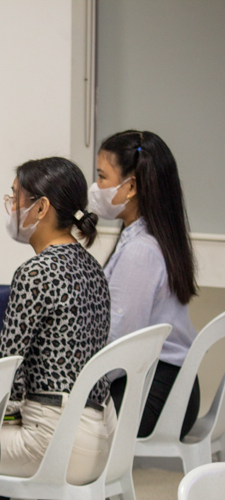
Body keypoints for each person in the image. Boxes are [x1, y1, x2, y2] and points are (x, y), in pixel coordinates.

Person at [0, 157, 116, 485]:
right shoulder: (93, 268)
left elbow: (7, 370)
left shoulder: (36, 272)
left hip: (55, 443)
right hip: (99, 440)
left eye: (15, 198)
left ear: (41, 207)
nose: (10, 207)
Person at [90, 130, 200, 439]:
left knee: (59, 421)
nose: (96, 187)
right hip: (163, 384)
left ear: (132, 187)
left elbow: (119, 343)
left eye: (102, 177)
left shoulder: (140, 251)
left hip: (157, 393)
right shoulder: (145, 237)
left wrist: (77, 384)